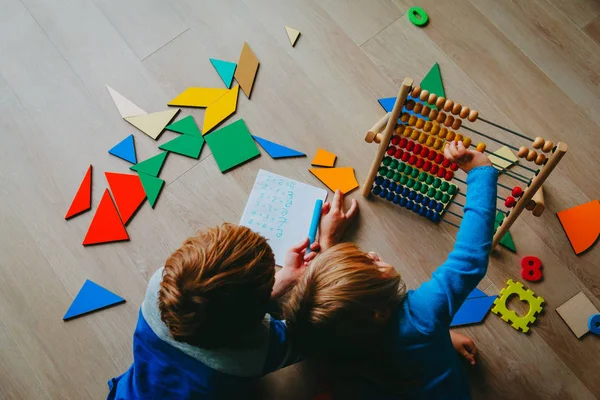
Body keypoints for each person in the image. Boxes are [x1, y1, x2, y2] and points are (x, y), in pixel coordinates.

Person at [283, 141, 496, 399]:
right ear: (380, 312)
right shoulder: (423, 313)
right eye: (371, 264)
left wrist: (329, 245)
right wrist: (481, 173)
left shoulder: (330, 340)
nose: (372, 254)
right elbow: (469, 259)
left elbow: (326, 309)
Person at [106, 194, 358, 399]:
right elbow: (317, 330)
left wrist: (283, 280)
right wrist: (328, 245)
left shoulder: (159, 285)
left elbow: (212, 301)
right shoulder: (258, 353)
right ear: (258, 319)